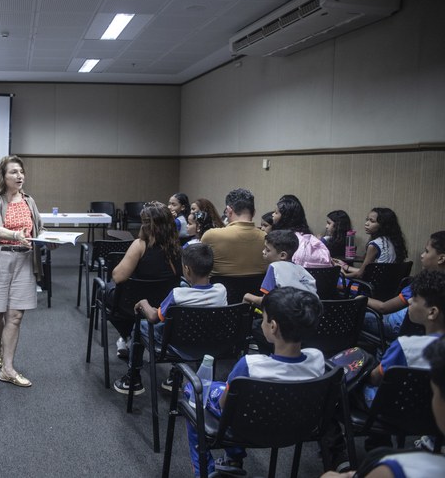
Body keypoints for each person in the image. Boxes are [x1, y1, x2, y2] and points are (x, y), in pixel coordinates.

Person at [185, 287, 324, 476]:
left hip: (249, 427)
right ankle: (231, 460)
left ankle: (207, 469)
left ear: (273, 326)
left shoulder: (250, 365)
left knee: (193, 393)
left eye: (264, 318)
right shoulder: (317, 359)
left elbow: (224, 404)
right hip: (295, 427)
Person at [0, 155, 49, 388]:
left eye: (21, 172)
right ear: (2, 177)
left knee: (15, 317)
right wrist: (16, 234)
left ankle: (8, 368)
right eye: (13, 172)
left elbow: (39, 228)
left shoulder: (29, 200)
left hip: (24, 262)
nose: (19, 176)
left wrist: (48, 239)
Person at [321, 335, 445, 478]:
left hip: (389, 409)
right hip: (420, 419)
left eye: (434, 392)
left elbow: (375, 378)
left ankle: (337, 454)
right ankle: (378, 443)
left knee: (331, 391)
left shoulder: (396, 469)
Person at [113, 244, 227, 395]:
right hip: (209, 345)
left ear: (187, 269)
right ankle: (175, 378)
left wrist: (144, 303)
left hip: (178, 346)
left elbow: (154, 318)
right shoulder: (221, 290)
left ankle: (133, 379)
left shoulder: (178, 295)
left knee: (140, 326)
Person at [361, 269, 444, 408]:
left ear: (432, 312)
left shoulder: (405, 346)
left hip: (399, 410)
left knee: (359, 382)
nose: (410, 300)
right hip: (432, 416)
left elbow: (375, 378)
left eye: (415, 298)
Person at [109, 201, 182, 359]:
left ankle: (128, 335)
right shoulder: (178, 247)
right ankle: (132, 335)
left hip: (135, 305)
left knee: (104, 292)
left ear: (146, 225)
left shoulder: (140, 245)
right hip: (165, 306)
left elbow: (118, 276)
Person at [363, 231, 445, 341]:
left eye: (426, 251)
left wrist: (362, 299)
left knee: (355, 315)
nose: (422, 255)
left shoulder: (423, 285)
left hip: (395, 325)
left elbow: (384, 307)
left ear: (441, 258)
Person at [200, 188, 267, 276]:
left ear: (229, 210)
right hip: (256, 290)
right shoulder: (266, 238)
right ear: (254, 212)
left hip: (221, 289)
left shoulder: (211, 235)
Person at [243, 229, 317, 308]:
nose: (263, 252)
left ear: (282, 255)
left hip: (285, 316)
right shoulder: (301, 270)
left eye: (267, 250)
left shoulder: (274, 267)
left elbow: (266, 301)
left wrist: (248, 297)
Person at [333, 207, 408, 279]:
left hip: (371, 288)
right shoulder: (393, 242)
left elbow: (360, 274)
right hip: (389, 287)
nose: (366, 223)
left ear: (383, 225)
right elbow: (365, 270)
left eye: (372, 221)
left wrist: (344, 274)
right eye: (367, 220)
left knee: (335, 282)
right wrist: (345, 266)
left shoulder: (374, 245)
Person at [272, 194, 331, 268]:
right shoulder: (308, 237)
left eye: (276, 212)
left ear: (285, 217)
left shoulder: (285, 239)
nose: (273, 215)